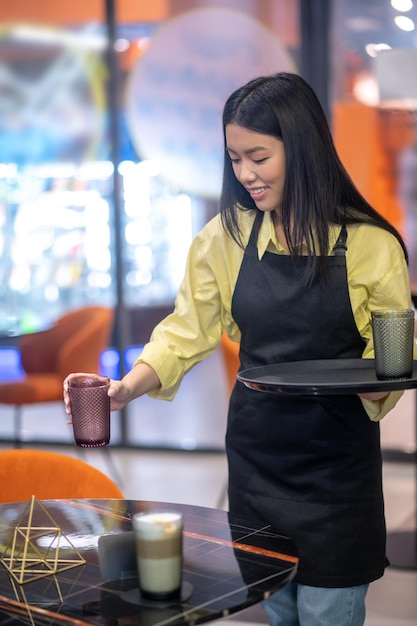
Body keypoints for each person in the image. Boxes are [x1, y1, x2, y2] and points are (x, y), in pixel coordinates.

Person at [63, 73, 412, 626]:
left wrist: (385, 379)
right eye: (234, 159)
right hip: (258, 456)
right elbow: (186, 329)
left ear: (301, 150)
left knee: (328, 612)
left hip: (336, 466)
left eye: (258, 156)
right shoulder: (223, 239)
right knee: (277, 610)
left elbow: (391, 356)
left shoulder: (372, 245)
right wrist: (126, 387)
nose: (245, 174)